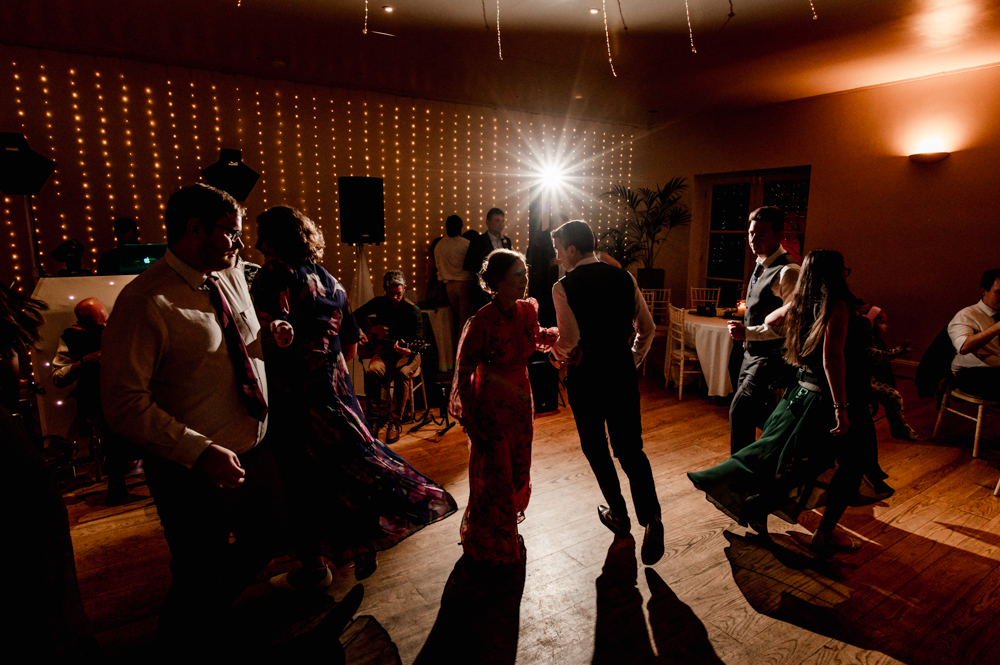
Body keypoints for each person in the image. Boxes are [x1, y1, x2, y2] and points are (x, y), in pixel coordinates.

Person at [101, 183, 288, 652]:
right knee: (198, 571)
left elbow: (230, 341)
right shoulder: (145, 301)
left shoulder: (229, 275)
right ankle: (181, 642)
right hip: (191, 472)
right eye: (231, 232)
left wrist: (270, 330)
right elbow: (123, 403)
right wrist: (199, 451)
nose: (240, 244)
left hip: (255, 449)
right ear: (194, 229)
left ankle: (207, 619)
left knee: (268, 536)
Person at [251, 205, 457, 586]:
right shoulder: (331, 281)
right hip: (336, 388)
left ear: (274, 240)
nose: (256, 244)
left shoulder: (275, 274)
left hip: (295, 394)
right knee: (350, 464)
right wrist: (334, 379)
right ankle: (360, 543)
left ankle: (318, 566)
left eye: (261, 236)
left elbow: (258, 329)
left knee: (301, 481)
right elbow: (349, 342)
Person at [688, 249, 876, 556]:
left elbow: (771, 318)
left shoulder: (802, 303)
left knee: (806, 462)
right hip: (832, 396)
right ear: (835, 274)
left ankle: (760, 505)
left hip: (802, 391)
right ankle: (820, 532)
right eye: (844, 270)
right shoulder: (837, 305)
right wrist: (841, 409)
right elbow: (832, 358)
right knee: (852, 464)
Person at [549, 220, 664, 566]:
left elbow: (570, 340)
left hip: (586, 379)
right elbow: (647, 327)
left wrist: (554, 355)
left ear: (572, 249)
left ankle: (619, 515)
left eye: (559, 250)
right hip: (621, 375)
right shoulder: (624, 277)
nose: (557, 257)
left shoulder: (562, 287)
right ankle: (652, 519)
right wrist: (631, 359)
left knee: (597, 449)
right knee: (630, 450)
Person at [449, 249, 558, 564]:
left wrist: (564, 341)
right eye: (517, 274)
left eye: (525, 273)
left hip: (521, 402)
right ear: (497, 281)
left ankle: (507, 528)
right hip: (491, 406)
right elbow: (464, 371)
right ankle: (495, 541)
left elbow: (536, 336)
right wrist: (470, 417)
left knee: (519, 466)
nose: (524, 280)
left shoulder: (527, 311)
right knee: (496, 474)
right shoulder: (482, 321)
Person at [727, 206, 800, 454]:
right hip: (751, 353)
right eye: (751, 233)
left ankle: (739, 471)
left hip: (772, 357)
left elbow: (791, 326)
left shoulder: (789, 271)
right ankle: (787, 451)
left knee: (740, 412)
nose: (754, 240)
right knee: (757, 413)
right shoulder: (760, 265)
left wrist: (748, 333)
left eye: (762, 235)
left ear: (778, 236)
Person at [51, 297, 138, 505]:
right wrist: (83, 362)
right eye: (100, 325)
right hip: (96, 397)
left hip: (127, 391)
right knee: (111, 419)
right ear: (83, 323)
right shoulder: (71, 337)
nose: (105, 327)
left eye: (106, 321)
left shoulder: (119, 328)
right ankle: (116, 481)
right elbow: (58, 378)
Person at [355, 270, 425, 443]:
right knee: (372, 371)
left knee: (402, 373)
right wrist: (361, 332)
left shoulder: (413, 310)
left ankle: (395, 422)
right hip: (386, 351)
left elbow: (419, 341)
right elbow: (354, 315)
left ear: (404, 289)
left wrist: (409, 351)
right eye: (390, 294)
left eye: (398, 294)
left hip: (409, 354)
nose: (394, 297)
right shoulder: (379, 303)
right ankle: (373, 419)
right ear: (384, 289)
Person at [947, 268, 1000, 400]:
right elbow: (964, 347)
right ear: (983, 291)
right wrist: (997, 327)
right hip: (972, 373)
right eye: (999, 292)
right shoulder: (967, 315)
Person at [434, 214, 475, 342]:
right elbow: (472, 266)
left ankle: (455, 348)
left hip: (448, 286)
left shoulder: (440, 245)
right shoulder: (466, 244)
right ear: (460, 228)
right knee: (465, 320)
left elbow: (439, 270)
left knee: (456, 320)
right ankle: (461, 349)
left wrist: (440, 293)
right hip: (465, 284)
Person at [464, 208, 513, 310]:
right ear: (488, 223)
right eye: (497, 220)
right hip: (483, 288)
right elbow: (469, 264)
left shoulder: (506, 241)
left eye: (502, 221)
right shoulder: (478, 241)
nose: (501, 224)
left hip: (503, 286)